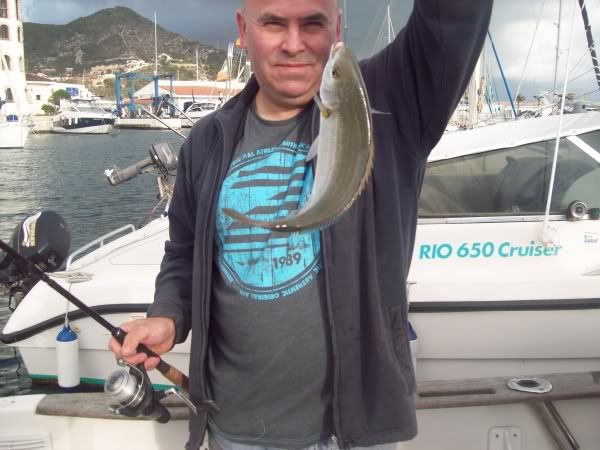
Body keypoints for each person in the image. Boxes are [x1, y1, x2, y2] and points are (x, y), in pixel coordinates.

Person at [109, 1, 493, 449]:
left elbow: (454, 17)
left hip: (354, 434)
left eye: (313, 23)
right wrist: (168, 316)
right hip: (236, 429)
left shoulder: (391, 100)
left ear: (337, 27)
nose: (294, 45)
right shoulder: (207, 140)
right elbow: (184, 253)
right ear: (243, 29)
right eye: (274, 23)